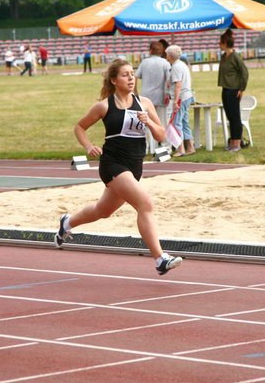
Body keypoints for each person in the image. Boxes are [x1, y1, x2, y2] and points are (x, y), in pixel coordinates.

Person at [54, 59, 182, 276]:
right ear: (114, 80)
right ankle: (160, 259)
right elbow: (80, 127)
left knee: (102, 211)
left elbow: (161, 136)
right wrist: (89, 146)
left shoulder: (144, 103)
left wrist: (149, 122)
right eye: (125, 75)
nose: (131, 78)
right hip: (112, 164)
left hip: (134, 166)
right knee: (145, 204)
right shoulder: (104, 106)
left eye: (132, 74)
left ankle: (67, 222)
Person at [135, 40, 171, 153]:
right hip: (160, 96)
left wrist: (135, 92)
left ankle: (145, 146)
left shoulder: (144, 62)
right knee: (162, 121)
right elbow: (168, 80)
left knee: (144, 122)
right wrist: (167, 93)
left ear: (150, 50)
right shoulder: (165, 63)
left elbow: (135, 77)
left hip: (145, 97)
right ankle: (166, 146)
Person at [217, 29, 249, 151]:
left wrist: (241, 88)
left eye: (220, 42)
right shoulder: (223, 57)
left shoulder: (235, 57)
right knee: (229, 116)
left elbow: (244, 72)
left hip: (233, 89)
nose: (219, 45)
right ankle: (232, 142)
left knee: (235, 117)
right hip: (225, 89)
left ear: (225, 43)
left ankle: (237, 143)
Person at [166, 44, 195, 156]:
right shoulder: (182, 64)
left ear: (170, 55)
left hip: (181, 97)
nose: (166, 56)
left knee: (176, 123)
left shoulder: (176, 67)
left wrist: (175, 101)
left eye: (167, 54)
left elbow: (178, 85)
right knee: (184, 122)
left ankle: (180, 149)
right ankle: (190, 147)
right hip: (187, 96)